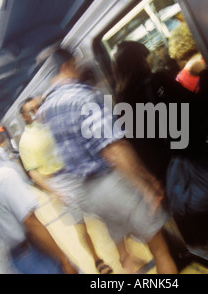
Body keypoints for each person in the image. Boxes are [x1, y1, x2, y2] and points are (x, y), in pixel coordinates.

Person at [113, 41, 208, 274]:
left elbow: (141, 150)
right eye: (146, 56)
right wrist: (207, 77)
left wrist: (158, 181)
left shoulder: (121, 105)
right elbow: (198, 108)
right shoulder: (157, 81)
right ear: (140, 60)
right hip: (202, 163)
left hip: (177, 184)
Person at [36, 47, 178, 274]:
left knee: (126, 253)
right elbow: (114, 149)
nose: (77, 68)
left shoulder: (48, 108)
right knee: (160, 250)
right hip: (113, 183)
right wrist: (146, 183)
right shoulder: (81, 96)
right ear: (65, 66)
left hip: (88, 193)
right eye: (74, 64)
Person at [0, 125, 78, 274]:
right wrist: (64, 260)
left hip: (15, 261)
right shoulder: (2, 176)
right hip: (36, 255)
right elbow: (32, 223)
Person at [18, 96, 113, 274]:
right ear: (24, 117)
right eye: (31, 109)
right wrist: (54, 191)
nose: (37, 111)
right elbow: (34, 172)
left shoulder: (56, 120)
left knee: (106, 210)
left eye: (38, 106)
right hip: (59, 181)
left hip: (79, 170)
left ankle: (123, 252)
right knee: (80, 224)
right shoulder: (26, 141)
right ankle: (97, 259)